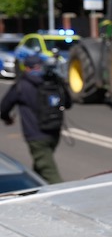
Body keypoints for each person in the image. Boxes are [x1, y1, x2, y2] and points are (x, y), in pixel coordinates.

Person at [0, 55, 71, 183]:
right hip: (54, 132)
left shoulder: (22, 85)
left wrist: (7, 119)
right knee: (40, 166)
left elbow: (4, 107)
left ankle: (67, 194)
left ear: (26, 68)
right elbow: (68, 103)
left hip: (36, 136)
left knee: (50, 173)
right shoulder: (52, 81)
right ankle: (35, 187)